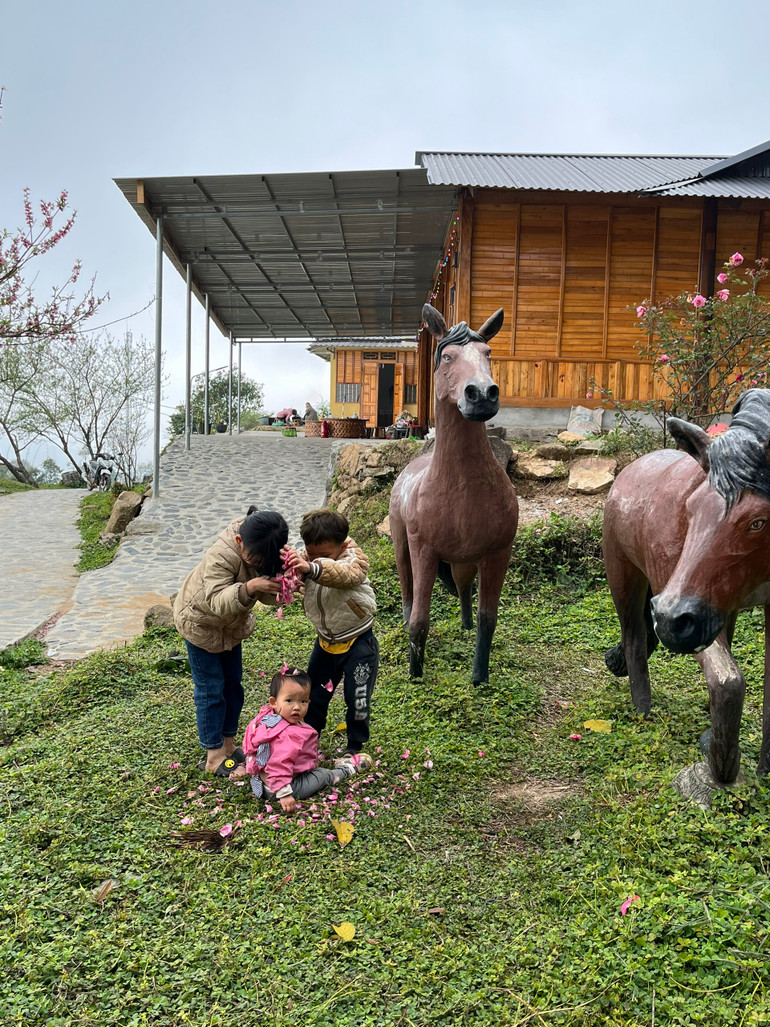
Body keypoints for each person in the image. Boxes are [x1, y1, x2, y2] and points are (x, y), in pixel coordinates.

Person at [173, 507, 288, 776]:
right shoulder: (221, 555)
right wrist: (250, 588)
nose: (259, 565)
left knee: (233, 686)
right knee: (211, 688)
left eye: (265, 561)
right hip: (200, 624)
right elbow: (216, 601)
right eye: (255, 560)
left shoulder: (266, 548)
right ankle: (214, 755)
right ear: (239, 543)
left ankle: (228, 744)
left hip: (230, 628)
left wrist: (282, 587)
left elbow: (267, 590)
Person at [283, 509, 379, 760]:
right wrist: (290, 571)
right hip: (325, 643)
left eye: (324, 555)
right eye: (311, 553)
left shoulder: (354, 559)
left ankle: (355, 746)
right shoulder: (308, 557)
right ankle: (309, 739)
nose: (315, 559)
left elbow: (345, 574)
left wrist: (313, 567)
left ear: (343, 544)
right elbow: (297, 573)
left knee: (356, 697)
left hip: (359, 642)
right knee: (313, 695)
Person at [238, 669, 373, 812]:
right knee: (323, 776)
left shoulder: (266, 719)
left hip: (260, 782)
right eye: (289, 700)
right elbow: (277, 765)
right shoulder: (287, 735)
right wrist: (284, 794)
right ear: (274, 702)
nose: (297, 707)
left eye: (303, 701)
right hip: (284, 788)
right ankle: (346, 769)